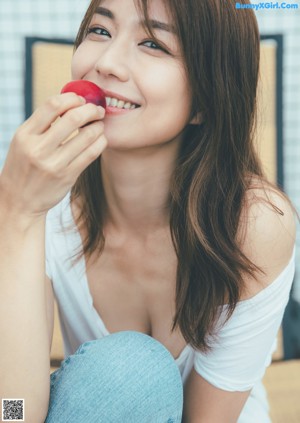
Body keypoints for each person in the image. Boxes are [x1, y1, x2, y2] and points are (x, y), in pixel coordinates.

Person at [0, 0, 296, 422]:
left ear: (205, 102)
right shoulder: (42, 201)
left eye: (153, 43)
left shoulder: (254, 224)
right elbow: (12, 415)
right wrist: (15, 212)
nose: (107, 63)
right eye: (100, 31)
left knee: (132, 372)